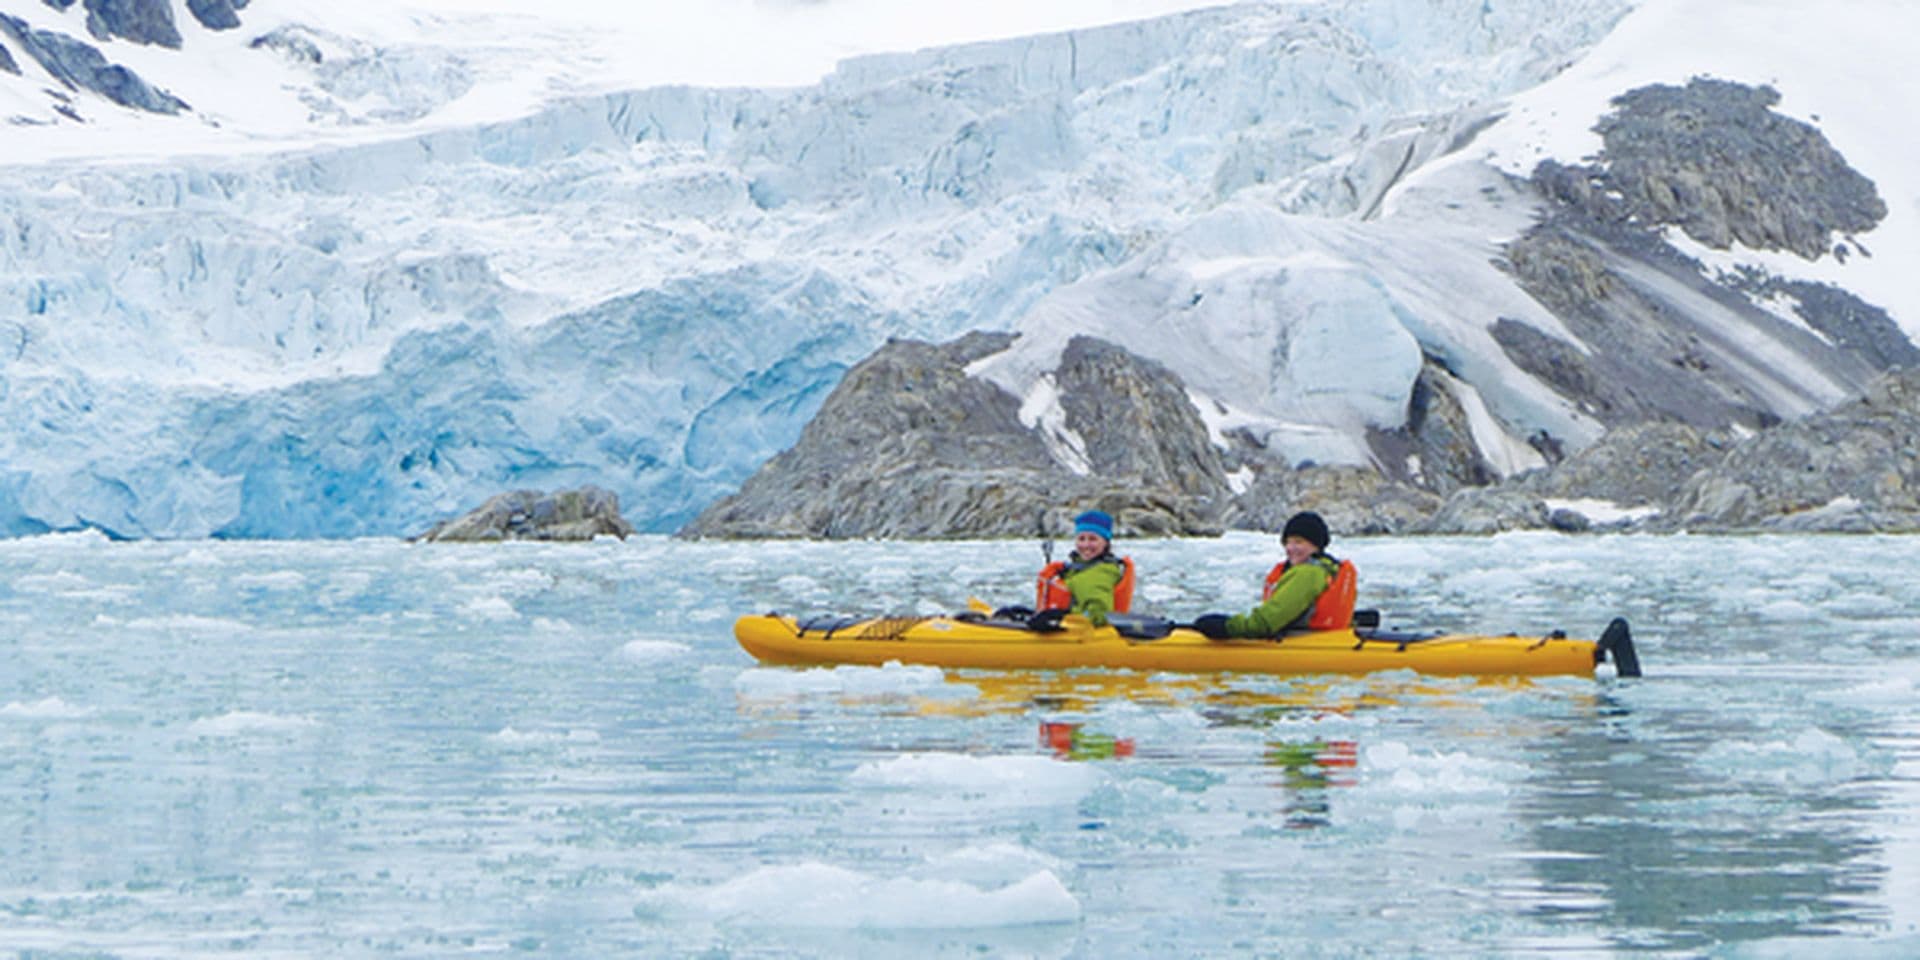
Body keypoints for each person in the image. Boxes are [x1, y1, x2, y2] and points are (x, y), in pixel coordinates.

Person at [1192, 511, 1344, 639]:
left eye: (1299, 542)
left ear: (1316, 546)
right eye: (1288, 542)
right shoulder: (1322, 569)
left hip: (1303, 643)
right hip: (1313, 638)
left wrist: (1227, 627)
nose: (1291, 548)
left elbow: (1266, 623)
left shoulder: (1308, 573)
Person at [1030, 509, 1133, 628]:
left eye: (1093, 539)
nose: (1086, 545)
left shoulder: (1100, 573)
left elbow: (1098, 615)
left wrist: (1060, 618)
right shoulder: (1077, 569)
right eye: (1081, 539)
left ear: (1105, 542)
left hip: (1083, 636)